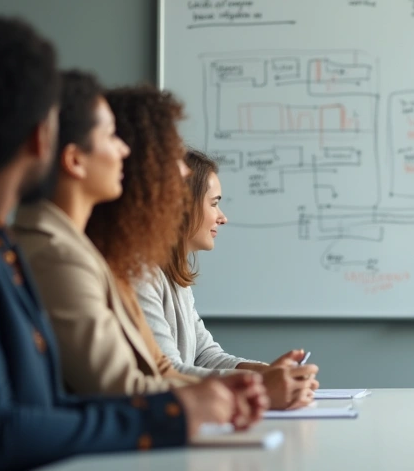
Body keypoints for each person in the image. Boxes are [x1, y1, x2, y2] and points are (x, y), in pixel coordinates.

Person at [0, 17, 265, 470]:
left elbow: (45, 408)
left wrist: (202, 399)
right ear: (45, 139)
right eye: (111, 137)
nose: (123, 152)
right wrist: (178, 412)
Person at [16, 84, 199, 395]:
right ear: (74, 160)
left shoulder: (101, 255)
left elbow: (161, 368)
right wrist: (240, 395)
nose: (123, 151)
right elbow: (120, 387)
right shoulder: (59, 256)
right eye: (112, 137)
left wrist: (246, 387)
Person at [137, 149, 320, 409]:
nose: (223, 217)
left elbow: (205, 355)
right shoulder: (142, 276)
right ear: (181, 206)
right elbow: (168, 371)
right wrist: (260, 385)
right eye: (213, 203)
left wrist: (264, 372)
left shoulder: (176, 277)